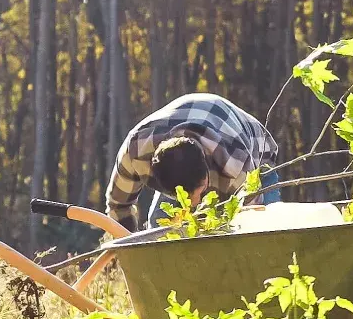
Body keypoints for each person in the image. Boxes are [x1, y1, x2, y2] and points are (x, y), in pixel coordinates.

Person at [107, 93, 281, 230]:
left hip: (256, 154)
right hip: (191, 127)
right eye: (184, 197)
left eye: (197, 194)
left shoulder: (235, 164)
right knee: (159, 229)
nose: (194, 206)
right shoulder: (136, 151)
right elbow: (119, 207)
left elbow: (253, 224)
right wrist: (130, 252)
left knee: (265, 235)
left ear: (206, 173)